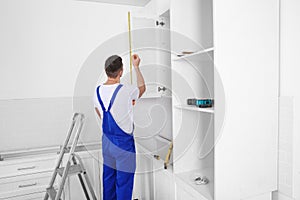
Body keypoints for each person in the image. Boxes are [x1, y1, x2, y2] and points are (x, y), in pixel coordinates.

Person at [94, 54, 145, 200]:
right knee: (124, 184)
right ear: (121, 71)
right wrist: (136, 66)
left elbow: (100, 113)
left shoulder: (97, 91)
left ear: (106, 70)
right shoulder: (126, 90)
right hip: (123, 145)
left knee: (108, 181)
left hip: (107, 143)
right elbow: (142, 88)